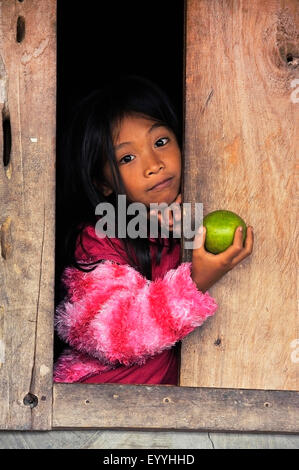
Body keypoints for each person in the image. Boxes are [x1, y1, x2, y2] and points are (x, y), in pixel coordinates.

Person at [54, 75, 254, 385]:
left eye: (160, 141)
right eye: (127, 157)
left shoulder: (181, 223)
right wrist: (197, 281)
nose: (154, 164)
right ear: (103, 183)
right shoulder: (96, 239)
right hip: (99, 403)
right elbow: (117, 333)